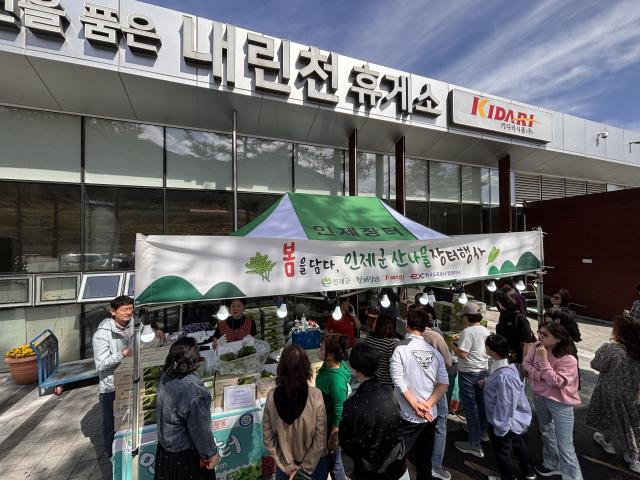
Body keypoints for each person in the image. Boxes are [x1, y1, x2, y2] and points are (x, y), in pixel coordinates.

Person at [92, 295, 165, 459]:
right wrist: (123, 353)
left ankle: (131, 454)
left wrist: (156, 332)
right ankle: (112, 458)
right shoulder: (102, 334)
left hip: (133, 381)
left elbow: (145, 335)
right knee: (111, 425)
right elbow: (100, 365)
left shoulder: (134, 324)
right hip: (111, 387)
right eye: (124, 309)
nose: (128, 312)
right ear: (113, 312)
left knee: (130, 422)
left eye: (131, 309)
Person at [390, 308, 449, 480]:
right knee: (425, 459)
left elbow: (397, 380)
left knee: (397, 458)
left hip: (406, 414)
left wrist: (414, 405)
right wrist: (428, 404)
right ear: (424, 327)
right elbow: (444, 382)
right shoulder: (435, 352)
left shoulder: (400, 348)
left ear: (407, 325)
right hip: (430, 415)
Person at [339, 343, 408, 480]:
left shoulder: (351, 405)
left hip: (369, 472)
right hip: (398, 468)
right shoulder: (389, 392)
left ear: (355, 370)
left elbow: (347, 444)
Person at [523, 322, 583, 479]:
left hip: (560, 403)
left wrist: (543, 362)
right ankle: (551, 463)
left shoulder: (568, 359)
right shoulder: (537, 346)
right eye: (539, 332)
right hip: (539, 397)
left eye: (545, 334)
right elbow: (526, 364)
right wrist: (542, 375)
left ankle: (573, 476)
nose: (540, 337)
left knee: (565, 444)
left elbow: (557, 381)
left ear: (558, 339)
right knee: (546, 432)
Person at [154, 337, 219, 479]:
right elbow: (201, 431)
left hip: (166, 451)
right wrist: (211, 454)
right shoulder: (194, 393)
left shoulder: (165, 376)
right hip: (185, 456)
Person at [263, 344, 328, 480]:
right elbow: (320, 438)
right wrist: (304, 469)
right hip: (313, 466)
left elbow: (268, 438)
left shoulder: (271, 396)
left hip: (284, 468)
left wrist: (288, 466)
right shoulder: (315, 395)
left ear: (282, 367)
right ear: (306, 367)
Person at [586, 315, 640, 474]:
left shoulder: (611, 349)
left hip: (610, 391)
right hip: (633, 393)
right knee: (630, 423)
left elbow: (596, 365)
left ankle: (633, 456)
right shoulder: (637, 349)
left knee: (611, 417)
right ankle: (609, 441)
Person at [481, 334, 536, 480]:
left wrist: (501, 428)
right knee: (517, 444)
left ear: (493, 351)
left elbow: (506, 404)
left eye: (486, 346)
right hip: (511, 420)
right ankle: (528, 471)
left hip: (504, 421)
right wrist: (486, 384)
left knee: (502, 452)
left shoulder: (504, 374)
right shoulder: (504, 366)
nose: (485, 348)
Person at [450, 303, 491, 458]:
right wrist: (460, 340)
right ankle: (482, 431)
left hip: (468, 372)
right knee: (481, 403)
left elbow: (462, 354)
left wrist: (452, 345)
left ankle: (474, 443)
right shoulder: (485, 330)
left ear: (467, 316)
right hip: (482, 370)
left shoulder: (468, 331)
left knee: (469, 407)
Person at [420, 310, 453, 480]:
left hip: (419, 387)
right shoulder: (435, 336)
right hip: (436, 386)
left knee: (422, 422)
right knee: (440, 423)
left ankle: (422, 460)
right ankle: (435, 465)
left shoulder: (412, 337)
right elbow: (449, 361)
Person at [316, 333, 351, 480]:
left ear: (331, 355)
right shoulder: (327, 365)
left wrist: (333, 437)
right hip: (322, 422)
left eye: (321, 348)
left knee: (334, 461)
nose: (319, 350)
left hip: (330, 427)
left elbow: (339, 412)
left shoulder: (336, 382)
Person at [494, 287, 534, 375]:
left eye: (499, 300)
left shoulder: (520, 319)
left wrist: (524, 364)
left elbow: (527, 344)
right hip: (503, 358)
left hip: (516, 361)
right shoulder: (504, 314)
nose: (497, 303)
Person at [364, 313, 399, 387]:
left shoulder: (368, 339)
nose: (373, 324)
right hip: (387, 384)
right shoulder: (391, 344)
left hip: (371, 381)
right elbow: (395, 367)